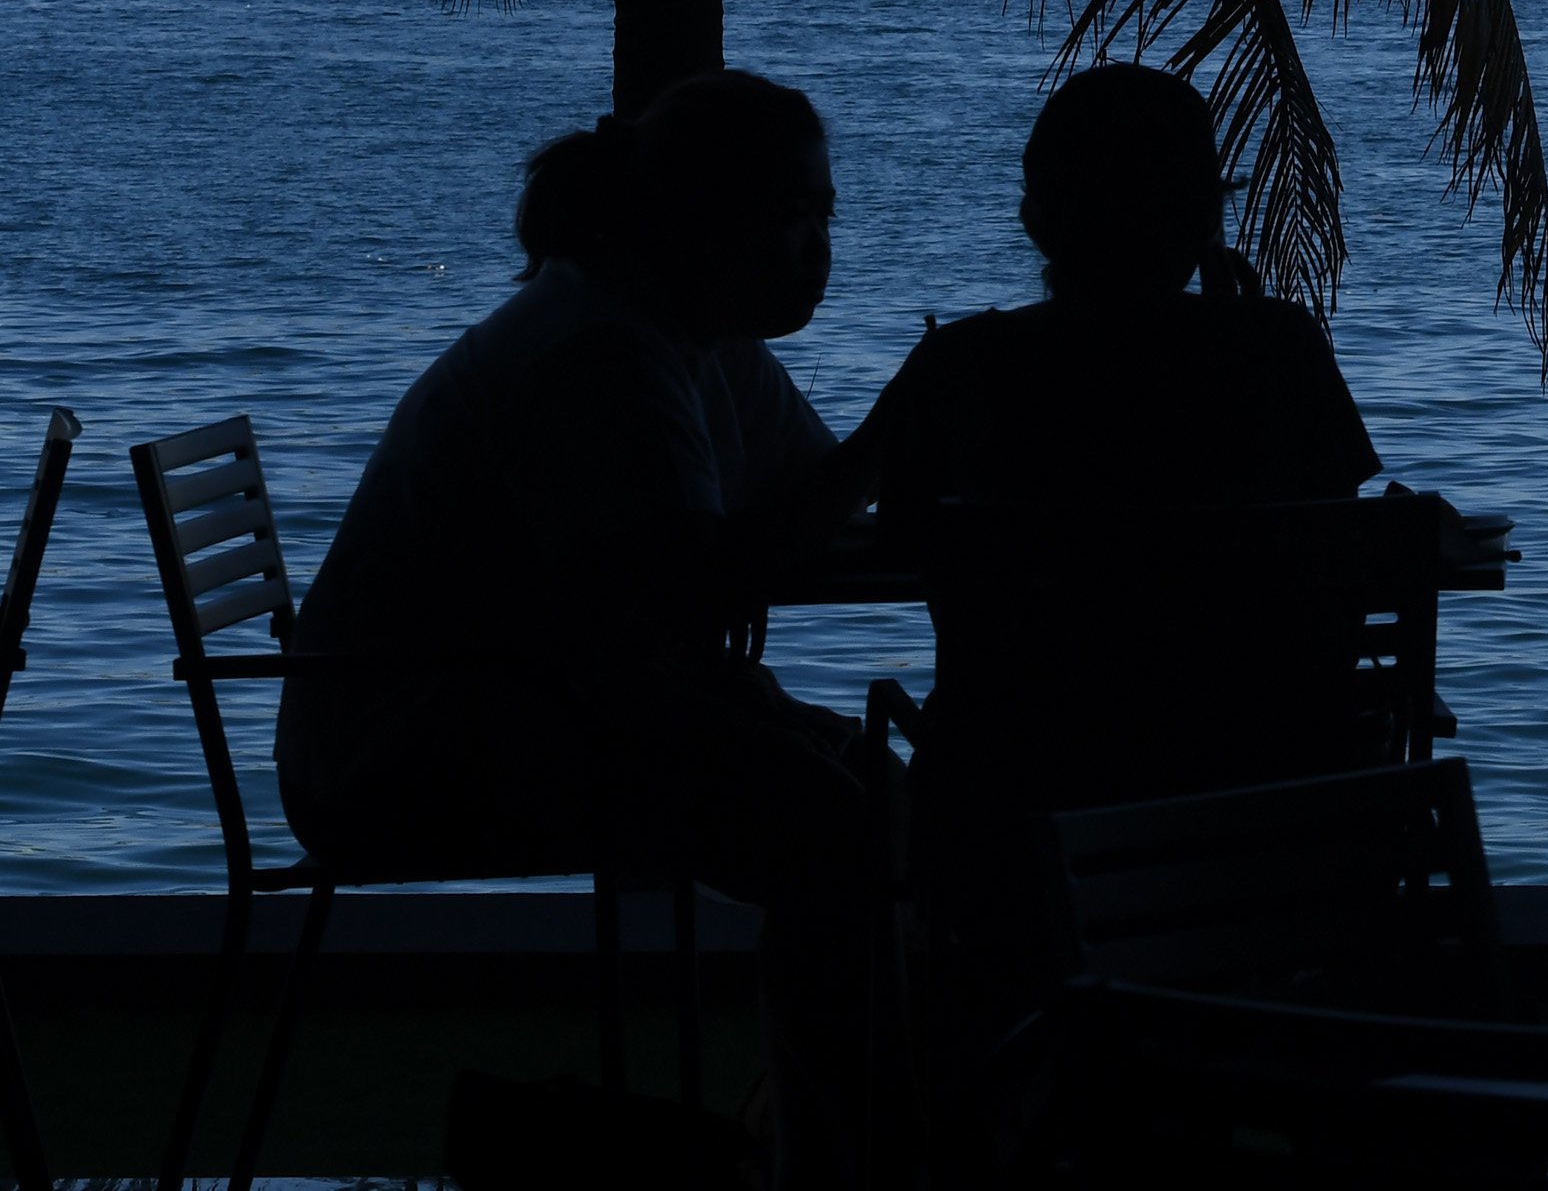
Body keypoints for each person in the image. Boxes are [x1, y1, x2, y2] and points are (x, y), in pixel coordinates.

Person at [281, 72, 869, 1188]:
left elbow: (795, 526)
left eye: (824, 214)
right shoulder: (597, 356)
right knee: (842, 832)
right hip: (411, 757)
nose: (815, 248)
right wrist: (904, 440)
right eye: (791, 214)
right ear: (700, 220)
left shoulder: (692, 338)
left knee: (860, 801)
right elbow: (684, 592)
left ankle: (805, 1143)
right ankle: (826, 1157)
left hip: (516, 708)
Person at [847, 64, 1384, 1019]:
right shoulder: (1279, 352)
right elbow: (1333, 550)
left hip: (1014, 808)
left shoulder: (964, 366)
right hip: (1262, 803)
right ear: (1205, 217)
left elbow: (904, 542)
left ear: (1037, 220)